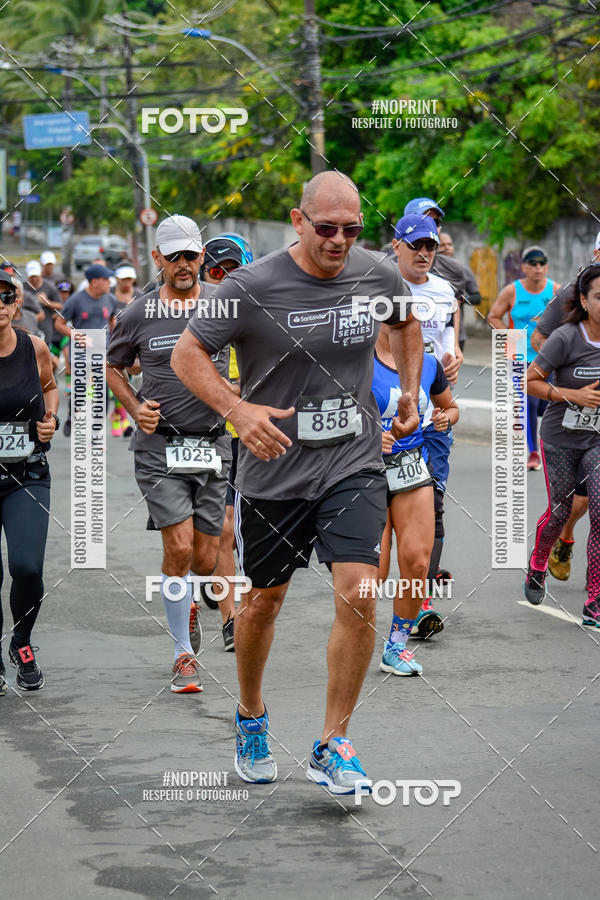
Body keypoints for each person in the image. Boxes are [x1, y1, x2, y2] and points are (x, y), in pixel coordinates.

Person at [172, 170, 423, 793]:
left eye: (352, 229)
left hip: (354, 461)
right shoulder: (251, 287)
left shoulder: (378, 273)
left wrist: (413, 388)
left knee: (362, 591)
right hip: (274, 470)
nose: (340, 240)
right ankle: (252, 714)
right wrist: (236, 409)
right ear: (298, 220)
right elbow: (186, 355)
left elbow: (406, 325)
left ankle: (334, 741)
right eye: (327, 228)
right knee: (262, 605)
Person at [107, 215, 233, 693]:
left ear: (202, 256)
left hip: (212, 443)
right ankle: (182, 652)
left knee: (203, 560)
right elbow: (114, 367)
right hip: (160, 448)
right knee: (177, 550)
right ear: (157, 259)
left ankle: (191, 602)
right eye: (174, 256)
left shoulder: (225, 304)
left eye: (192, 255)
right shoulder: (138, 313)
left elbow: (259, 351)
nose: (184, 265)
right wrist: (135, 407)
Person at [373, 324, 459, 676]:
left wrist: (443, 419)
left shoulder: (428, 363)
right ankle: (354, 637)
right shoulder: (356, 361)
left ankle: (395, 646)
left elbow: (451, 408)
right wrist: (367, 437)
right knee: (371, 574)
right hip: (366, 471)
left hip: (411, 467)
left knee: (417, 561)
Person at [524, 263, 600, 628]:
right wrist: (574, 395)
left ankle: (595, 600)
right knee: (561, 511)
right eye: (599, 296)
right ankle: (538, 564)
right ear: (584, 300)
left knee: (599, 512)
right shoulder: (567, 337)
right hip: (560, 437)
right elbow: (531, 382)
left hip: (597, 441)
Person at [392, 213, 459, 616]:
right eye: (415, 245)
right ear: (396, 245)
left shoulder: (444, 289)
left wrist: (454, 354)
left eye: (430, 246)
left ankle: (422, 601)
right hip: (386, 411)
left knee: (432, 502)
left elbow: (448, 334)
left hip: (432, 406)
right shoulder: (379, 287)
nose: (423, 253)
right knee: (382, 514)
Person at [0, 269, 59, 695]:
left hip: (27, 473)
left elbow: (51, 386)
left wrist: (50, 419)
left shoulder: (33, 347)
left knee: (27, 567)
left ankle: (21, 641)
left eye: (6, 298)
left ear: (16, 304)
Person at [200, 234, 254, 651]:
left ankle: (228, 591)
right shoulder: (196, 314)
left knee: (248, 533)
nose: (224, 278)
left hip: (258, 437)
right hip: (215, 437)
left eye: (233, 269)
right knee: (222, 529)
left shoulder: (267, 308)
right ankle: (232, 619)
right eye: (216, 272)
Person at [488, 246, 560, 471]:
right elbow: (493, 317)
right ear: (524, 267)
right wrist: (511, 340)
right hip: (521, 359)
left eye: (542, 264)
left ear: (546, 267)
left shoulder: (555, 290)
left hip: (548, 359)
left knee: (548, 405)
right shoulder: (512, 291)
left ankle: (550, 446)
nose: (538, 268)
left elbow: (569, 320)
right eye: (533, 263)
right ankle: (532, 452)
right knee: (527, 403)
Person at [55, 263, 117, 437]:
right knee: (80, 394)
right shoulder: (75, 300)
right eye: (106, 280)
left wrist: (117, 338)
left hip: (101, 354)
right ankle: (71, 416)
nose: (109, 283)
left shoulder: (110, 299)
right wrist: (77, 336)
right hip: (81, 355)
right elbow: (59, 324)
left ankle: (96, 433)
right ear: (94, 281)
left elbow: (113, 321)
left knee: (102, 395)